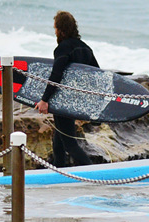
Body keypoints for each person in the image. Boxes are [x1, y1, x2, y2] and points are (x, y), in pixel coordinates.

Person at [34, 11, 100, 167]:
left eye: (55, 28)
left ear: (60, 29)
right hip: (77, 100)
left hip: (63, 99)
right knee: (59, 138)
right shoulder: (85, 48)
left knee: (70, 143)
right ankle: (59, 168)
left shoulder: (63, 49)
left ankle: (91, 171)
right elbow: (96, 74)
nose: (55, 31)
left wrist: (45, 100)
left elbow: (56, 75)